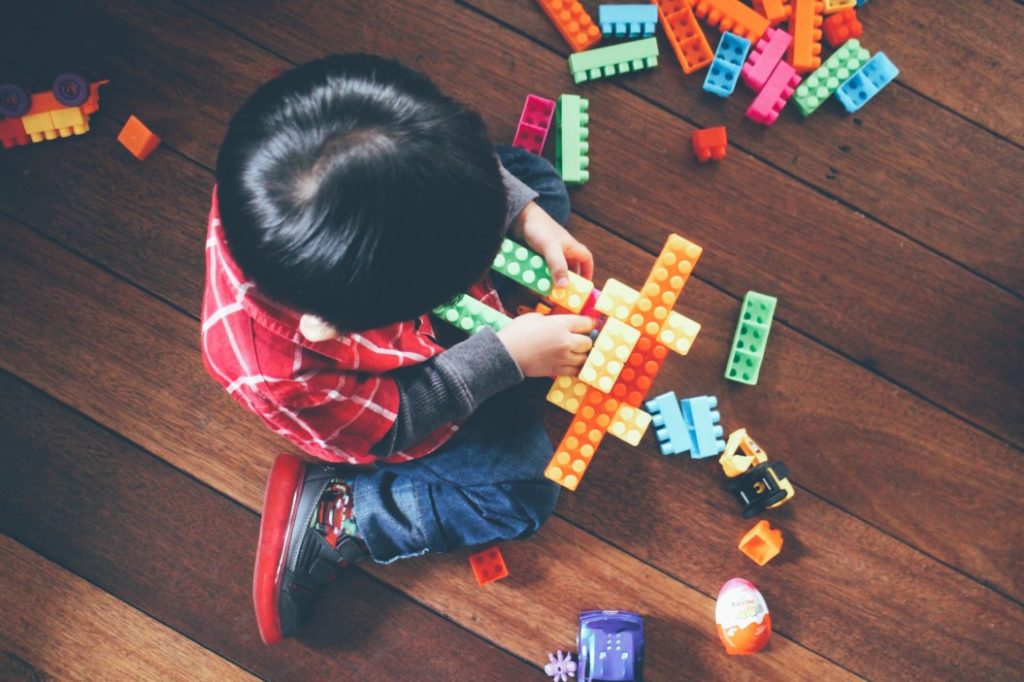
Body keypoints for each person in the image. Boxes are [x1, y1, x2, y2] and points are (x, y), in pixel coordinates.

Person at [200, 54, 596, 644]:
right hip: (404, 401)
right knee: (521, 491)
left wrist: (523, 215)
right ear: (334, 326)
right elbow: (397, 421)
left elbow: (440, 161)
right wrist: (505, 358)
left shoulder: (305, 166)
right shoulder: (284, 373)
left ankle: (493, 219)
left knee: (537, 185)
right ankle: (345, 513)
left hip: (398, 260)